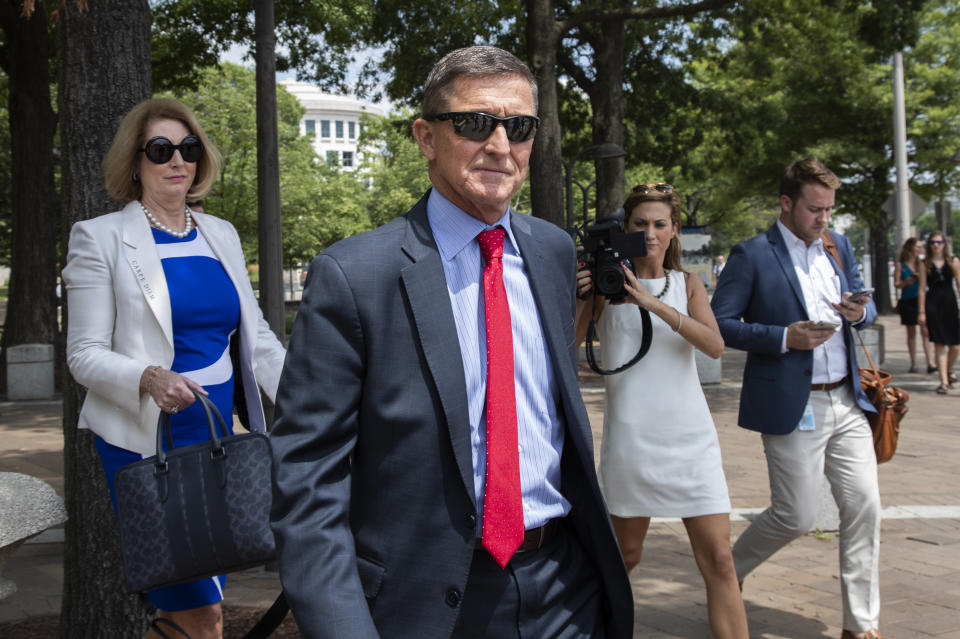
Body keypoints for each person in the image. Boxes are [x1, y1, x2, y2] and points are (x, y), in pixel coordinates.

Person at [269, 46, 633, 639]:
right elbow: (308, 482)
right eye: (472, 123)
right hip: (426, 604)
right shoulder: (355, 275)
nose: (498, 144)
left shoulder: (552, 252)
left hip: (564, 588)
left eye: (518, 127)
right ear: (426, 137)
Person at [63, 98, 286, 639]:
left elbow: (257, 343)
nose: (176, 161)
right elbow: (83, 353)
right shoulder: (101, 238)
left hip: (217, 442)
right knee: (200, 613)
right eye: (160, 149)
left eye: (188, 149)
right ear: (135, 162)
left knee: (194, 607)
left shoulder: (222, 235)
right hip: (148, 446)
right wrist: (147, 377)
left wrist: (325, 398)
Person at [710, 159, 882, 639]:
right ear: (786, 203)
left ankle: (862, 626)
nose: (823, 218)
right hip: (793, 402)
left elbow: (861, 315)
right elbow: (721, 324)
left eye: (829, 209)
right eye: (814, 209)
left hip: (846, 401)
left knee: (865, 506)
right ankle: (727, 572)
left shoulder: (838, 245)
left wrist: (858, 312)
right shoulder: (752, 254)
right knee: (797, 515)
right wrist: (784, 337)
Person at [575, 184, 748, 638]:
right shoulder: (605, 286)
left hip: (691, 441)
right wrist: (581, 297)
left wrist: (652, 303)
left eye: (659, 224)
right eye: (639, 224)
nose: (649, 233)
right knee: (625, 557)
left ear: (674, 232)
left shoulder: (687, 284)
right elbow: (566, 350)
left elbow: (714, 347)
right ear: (624, 229)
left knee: (721, 560)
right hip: (632, 441)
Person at [917, 231, 960, 394]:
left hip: (950, 304)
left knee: (955, 346)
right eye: (933, 242)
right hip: (933, 305)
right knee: (940, 344)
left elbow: (959, 284)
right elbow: (921, 289)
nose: (936, 245)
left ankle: (949, 370)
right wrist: (921, 312)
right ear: (929, 245)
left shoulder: (953, 261)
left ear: (944, 244)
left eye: (939, 242)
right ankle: (943, 382)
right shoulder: (924, 263)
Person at [894, 237, 934, 373]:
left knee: (926, 332)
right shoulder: (901, 265)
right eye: (918, 246)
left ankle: (930, 362)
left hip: (922, 301)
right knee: (911, 333)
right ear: (910, 247)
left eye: (921, 247)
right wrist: (910, 280)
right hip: (907, 301)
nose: (920, 249)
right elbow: (897, 284)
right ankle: (914, 363)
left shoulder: (923, 263)